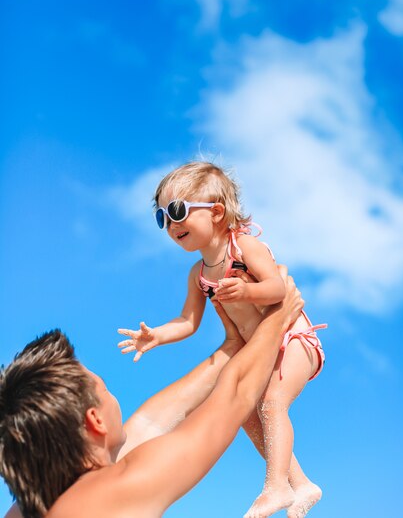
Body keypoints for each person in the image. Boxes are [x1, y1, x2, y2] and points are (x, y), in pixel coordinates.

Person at [0, 270, 302, 518]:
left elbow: (152, 423)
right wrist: (279, 315)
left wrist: (231, 347)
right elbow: (234, 396)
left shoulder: (28, 509)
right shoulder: (117, 490)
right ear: (95, 421)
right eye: (104, 389)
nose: (111, 395)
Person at [118, 161, 327, 518]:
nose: (170, 224)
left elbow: (279, 288)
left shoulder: (244, 247)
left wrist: (248, 292)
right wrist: (156, 336)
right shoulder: (198, 274)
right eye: (162, 217)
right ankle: (301, 483)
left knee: (272, 403)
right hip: (262, 350)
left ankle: (276, 486)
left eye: (178, 211)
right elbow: (188, 321)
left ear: (216, 212)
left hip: (295, 338)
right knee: (243, 412)